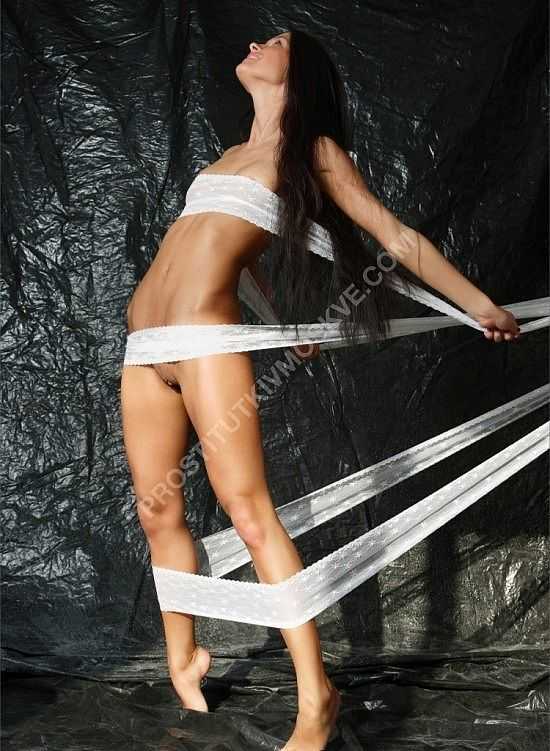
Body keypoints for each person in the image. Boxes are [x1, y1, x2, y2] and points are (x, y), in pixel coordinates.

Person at [120, 29, 520, 751]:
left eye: (273, 40)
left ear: (297, 71)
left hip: (207, 345)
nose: (256, 42)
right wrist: (276, 314)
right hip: (144, 349)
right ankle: (185, 658)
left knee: (249, 515)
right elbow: (229, 253)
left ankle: (318, 696)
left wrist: (478, 304)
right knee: (158, 511)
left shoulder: (313, 153)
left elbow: (395, 237)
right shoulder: (223, 158)